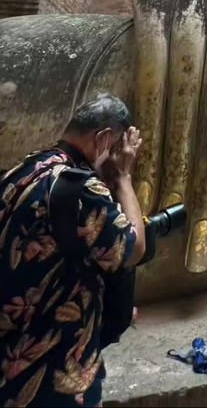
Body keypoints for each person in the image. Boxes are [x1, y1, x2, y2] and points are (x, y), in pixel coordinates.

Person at [0, 94, 145, 407]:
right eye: (117, 147)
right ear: (103, 139)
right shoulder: (82, 190)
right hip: (54, 366)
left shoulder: (23, 170)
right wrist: (123, 178)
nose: (119, 156)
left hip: (10, 354)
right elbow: (134, 248)